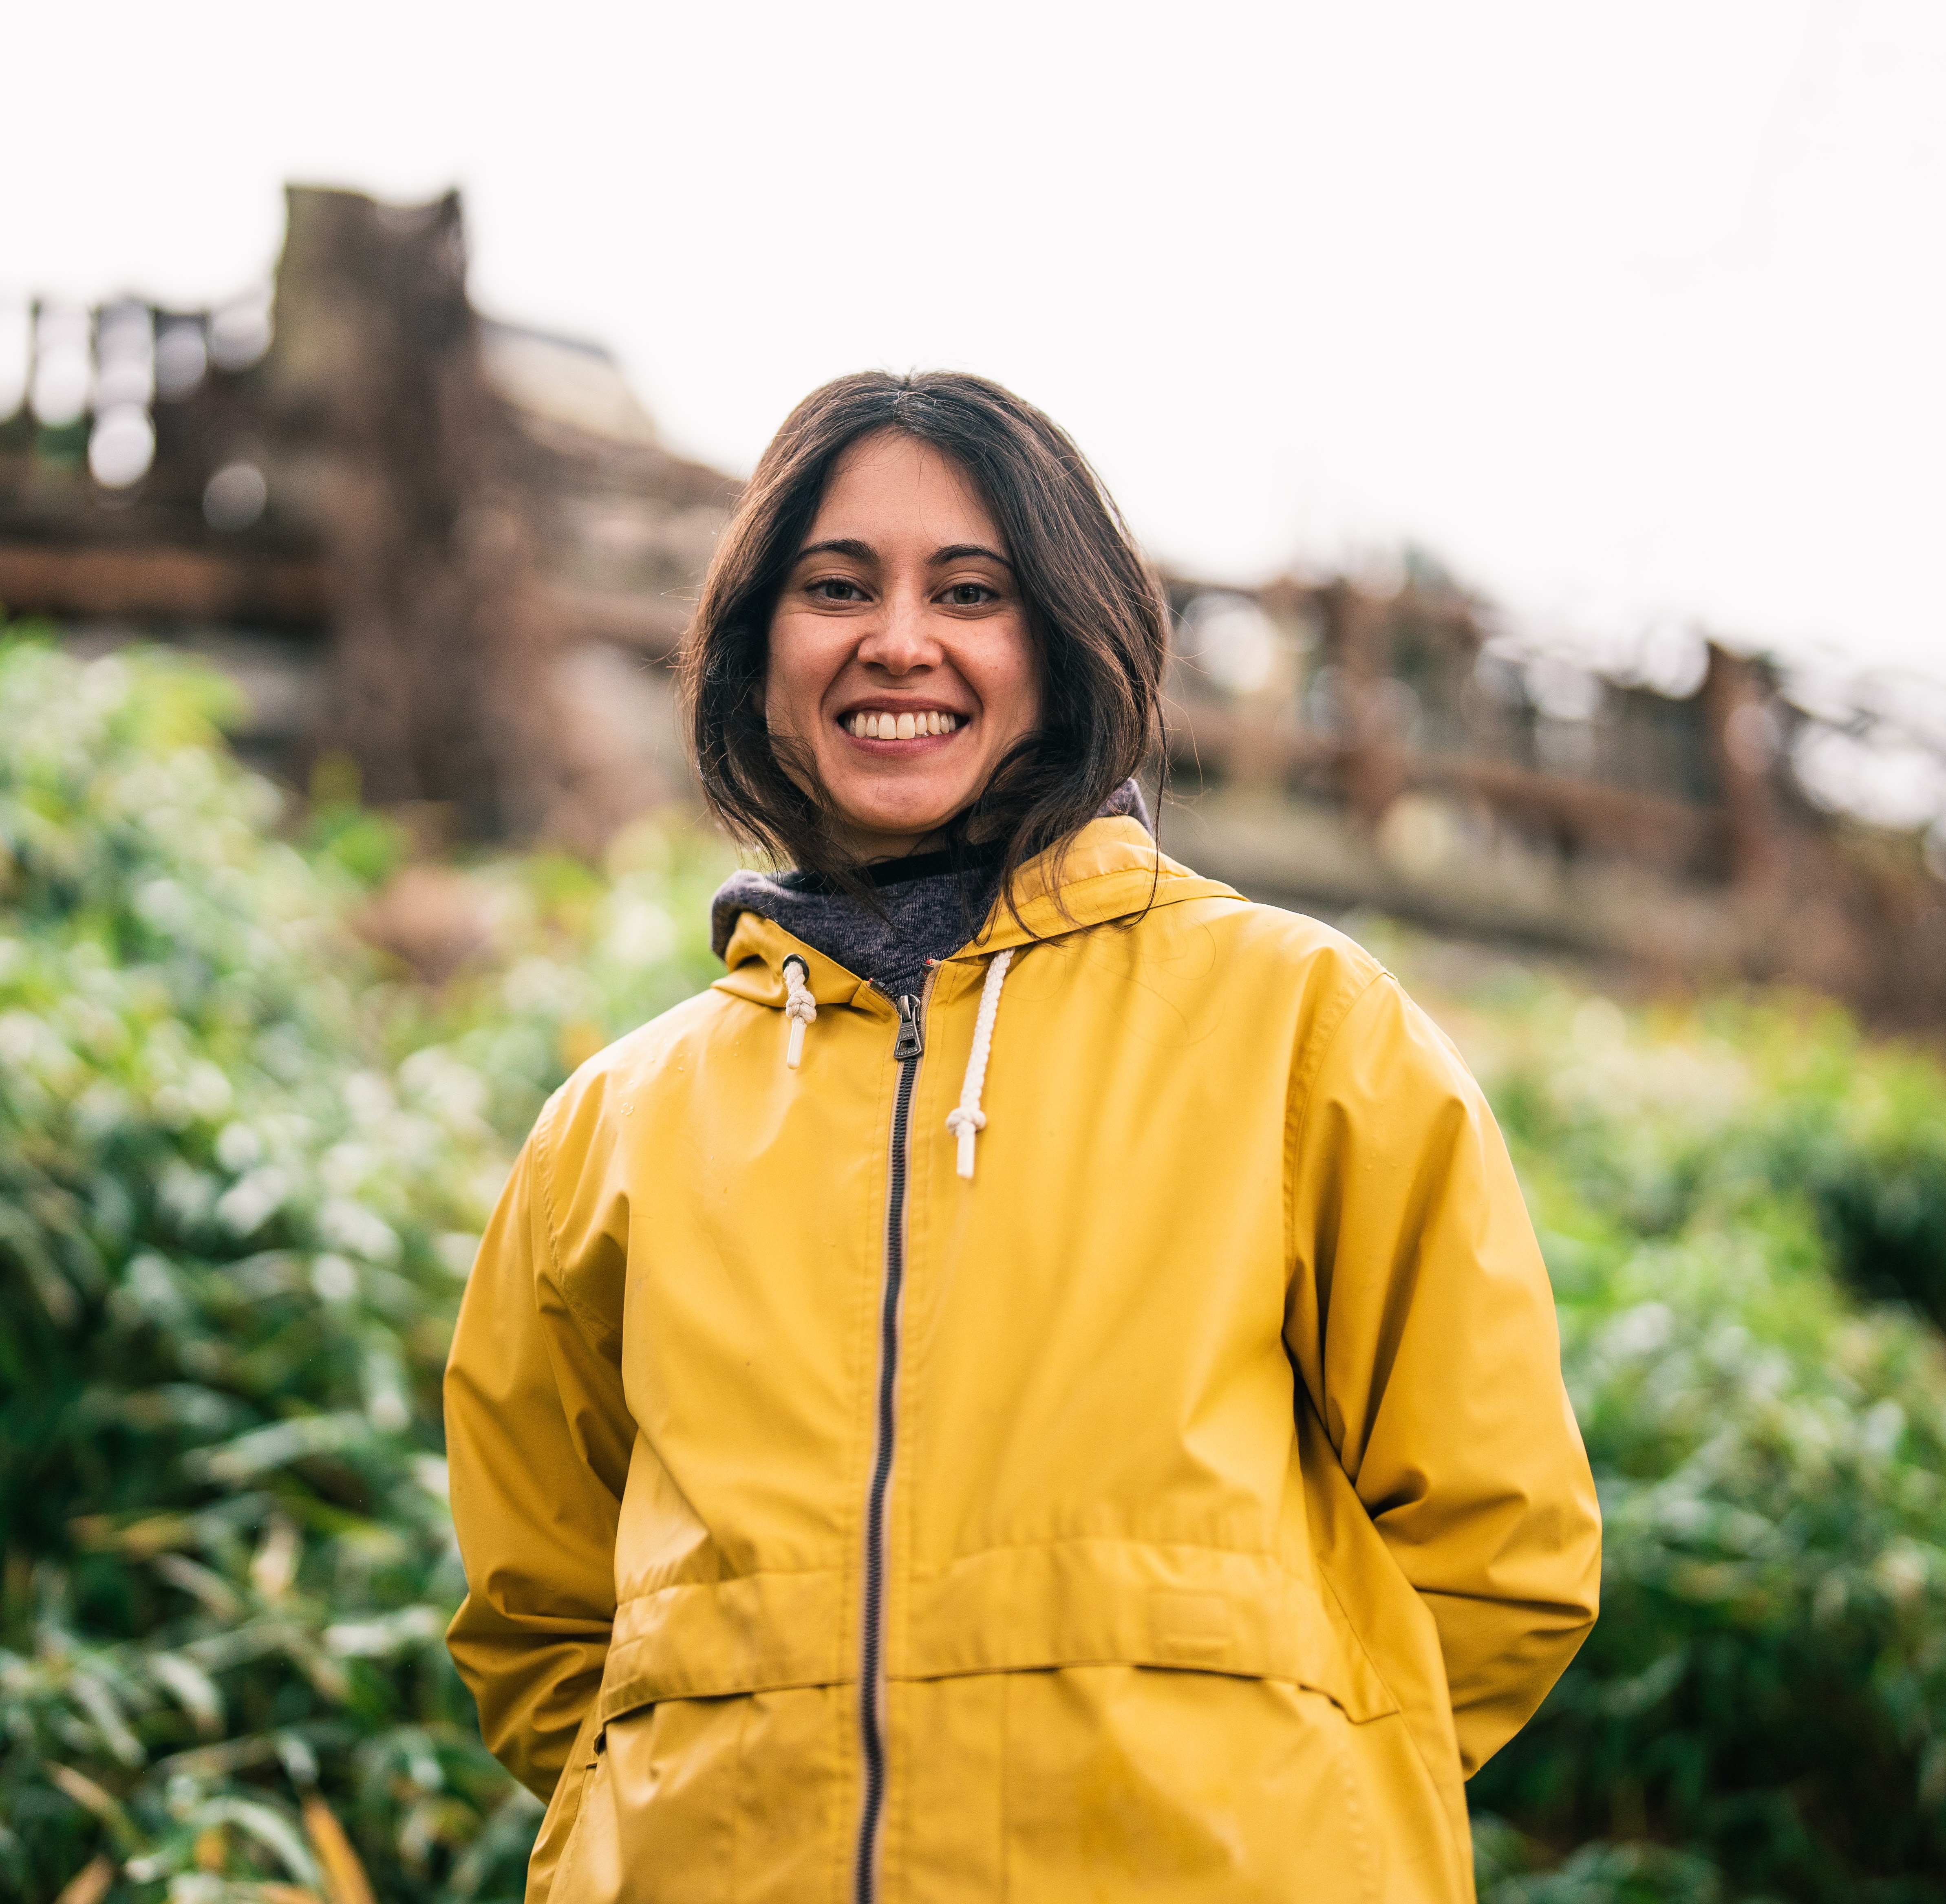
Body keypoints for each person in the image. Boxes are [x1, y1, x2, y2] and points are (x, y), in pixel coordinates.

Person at [443, 371, 1601, 1904]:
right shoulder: (616, 1126)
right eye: (835, 587)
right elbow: (541, 1626)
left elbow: (1500, 1548)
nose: (897, 640)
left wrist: (1285, 1816)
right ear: (757, 651)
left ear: (1066, 645)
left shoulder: (1300, 1026)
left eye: (971, 591)